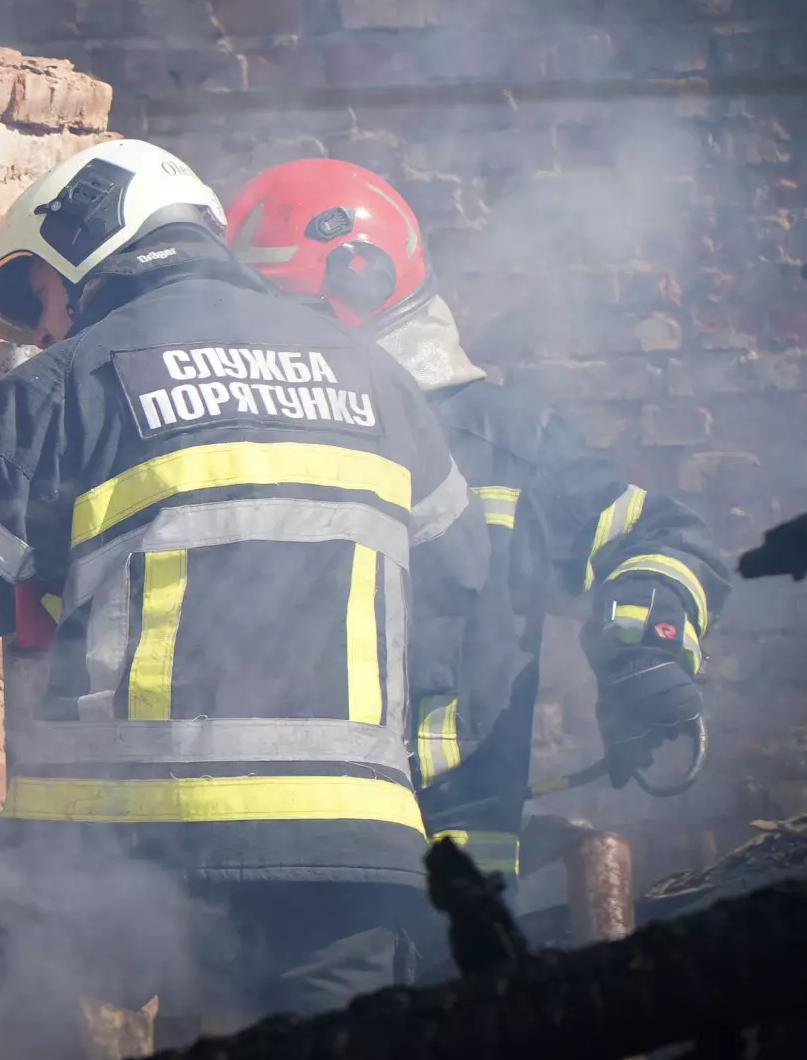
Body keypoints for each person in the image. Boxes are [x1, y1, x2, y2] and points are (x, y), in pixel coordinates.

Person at [0, 139, 489, 1049]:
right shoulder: (379, 381)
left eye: (38, 298)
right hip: (353, 853)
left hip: (126, 836)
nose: (38, 330)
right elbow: (460, 574)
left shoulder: (76, 384)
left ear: (88, 249)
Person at [225, 158, 733, 898]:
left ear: (359, 282)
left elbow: (662, 539)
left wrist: (642, 652)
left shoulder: (509, 442)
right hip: (259, 863)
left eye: (282, 309)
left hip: (449, 870)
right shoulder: (233, 441)